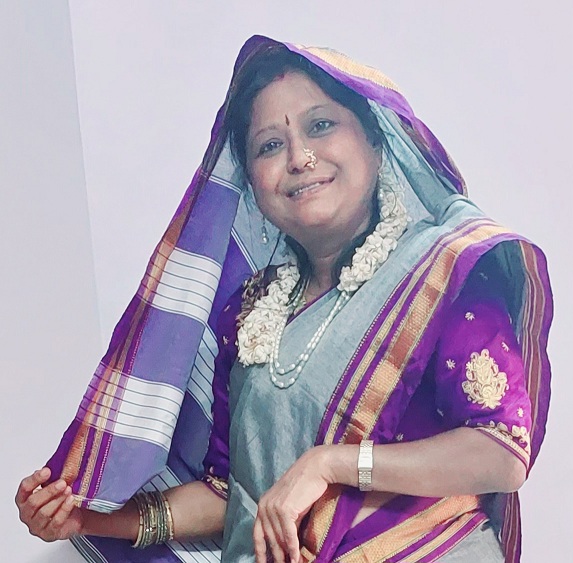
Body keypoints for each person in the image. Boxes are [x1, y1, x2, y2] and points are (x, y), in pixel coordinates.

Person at [16, 36, 552, 563]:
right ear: (252, 184)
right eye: (270, 145)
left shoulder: (440, 272)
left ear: (375, 141)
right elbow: (233, 494)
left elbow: (501, 453)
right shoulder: (250, 312)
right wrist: (88, 519)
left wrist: (330, 464)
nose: (300, 157)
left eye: (321, 126)